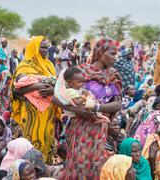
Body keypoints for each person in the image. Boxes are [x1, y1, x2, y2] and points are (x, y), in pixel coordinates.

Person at [56, 38, 122, 179]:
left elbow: (117, 104)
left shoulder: (113, 76)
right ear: (100, 53)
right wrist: (77, 110)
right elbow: (56, 96)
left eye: (116, 54)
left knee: (94, 163)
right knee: (78, 162)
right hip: (79, 126)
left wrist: (97, 107)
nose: (115, 58)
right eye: (112, 54)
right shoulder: (81, 72)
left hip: (98, 128)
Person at [11, 36, 58, 164]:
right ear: (34, 49)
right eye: (43, 47)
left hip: (48, 113)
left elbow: (57, 84)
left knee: (47, 142)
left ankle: (45, 170)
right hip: (32, 115)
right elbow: (15, 90)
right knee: (31, 145)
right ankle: (30, 172)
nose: (46, 50)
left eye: (47, 47)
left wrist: (52, 90)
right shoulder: (24, 66)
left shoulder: (49, 64)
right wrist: (38, 86)